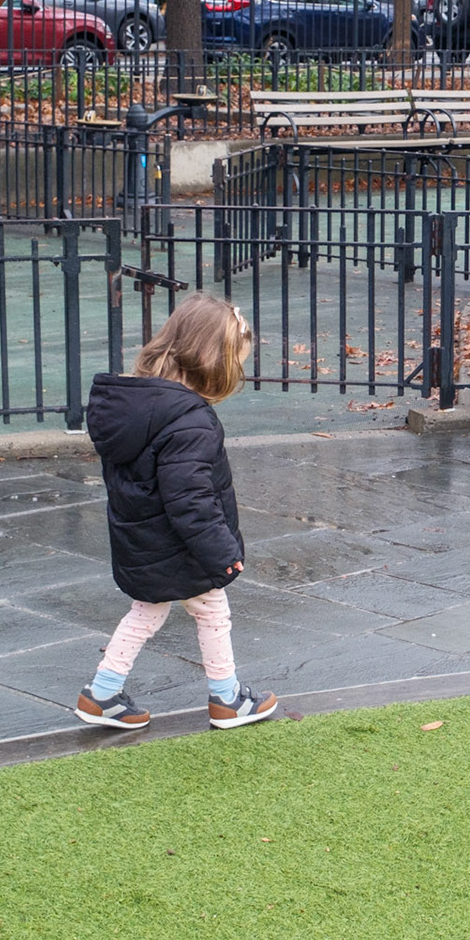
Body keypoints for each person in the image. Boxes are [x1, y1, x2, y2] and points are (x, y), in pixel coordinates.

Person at [74, 293, 279, 731]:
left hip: (144, 538)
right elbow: (191, 499)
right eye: (234, 364)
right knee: (212, 611)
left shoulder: (137, 407)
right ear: (211, 362)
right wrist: (221, 552)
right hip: (180, 545)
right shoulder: (189, 421)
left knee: (147, 611)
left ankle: (103, 692)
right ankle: (226, 698)